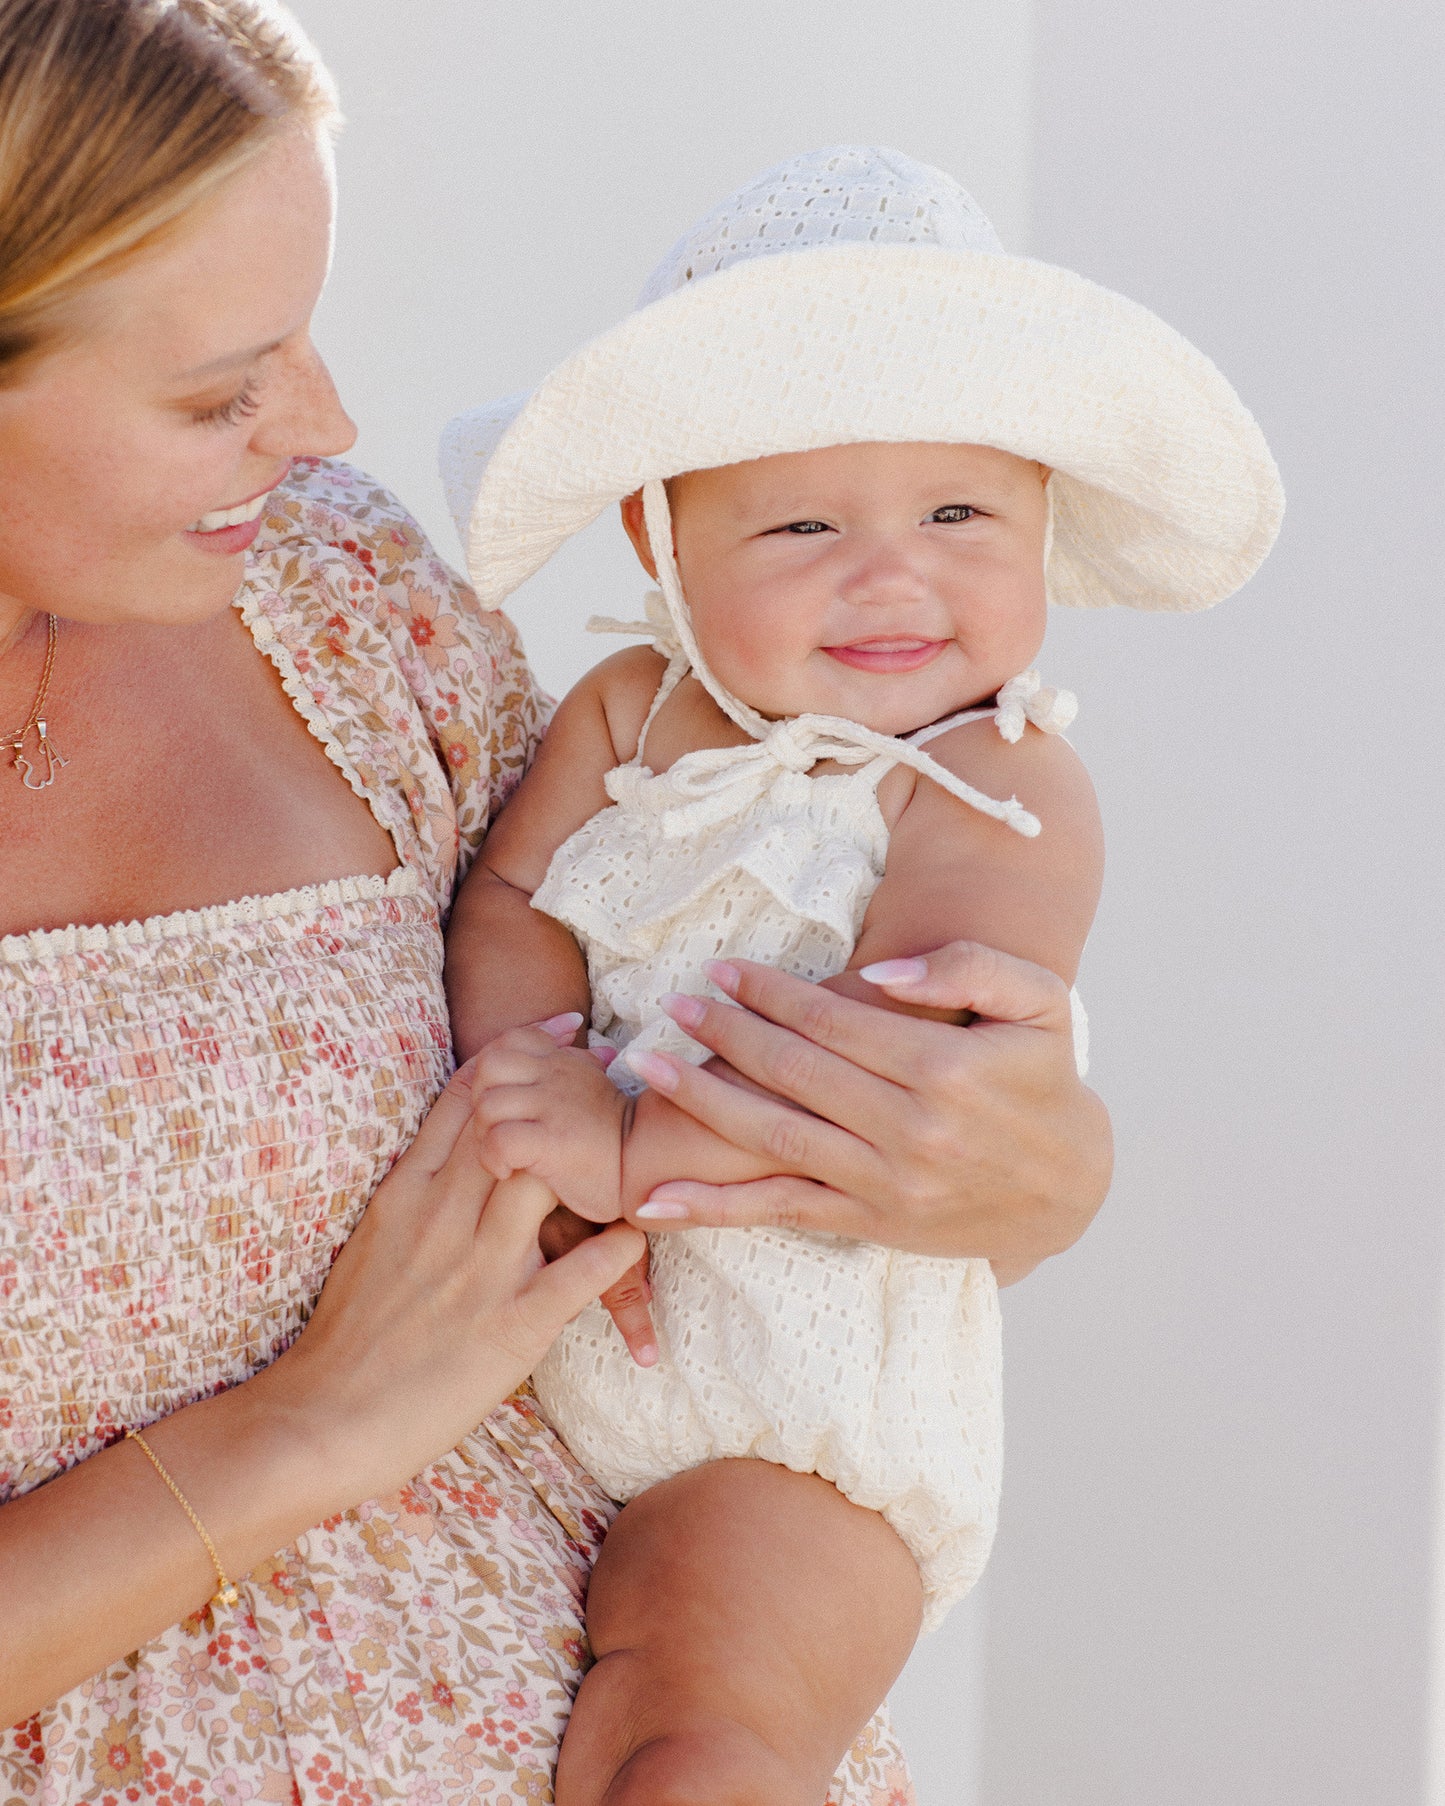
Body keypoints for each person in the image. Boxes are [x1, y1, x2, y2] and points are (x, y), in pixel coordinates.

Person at [0, 7, 1113, 1801]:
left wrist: (1033, 1174)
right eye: (223, 389)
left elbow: (656, 967)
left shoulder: (335, 598)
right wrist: (300, 1434)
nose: (327, 424)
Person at [441, 148, 1283, 1805]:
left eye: (959, 512)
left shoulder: (995, 781)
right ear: (661, 534)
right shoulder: (626, 710)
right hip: (529, 1356)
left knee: (689, 1734)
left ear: (1045, 512)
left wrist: (616, 1153)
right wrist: (520, 1067)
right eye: (805, 520)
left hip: (789, 1394)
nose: (892, 573)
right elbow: (511, 900)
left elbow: (896, 1066)